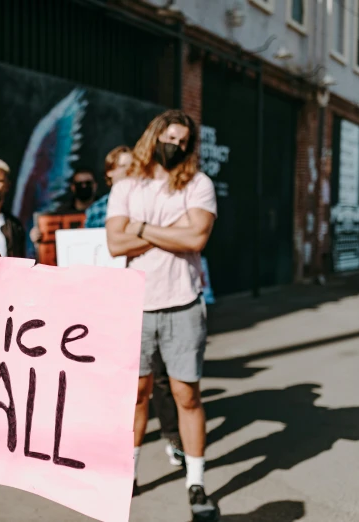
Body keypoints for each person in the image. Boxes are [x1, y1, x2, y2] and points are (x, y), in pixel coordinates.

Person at [106, 110, 219, 521]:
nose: (176, 145)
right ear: (154, 136)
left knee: (186, 395)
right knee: (136, 395)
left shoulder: (198, 184)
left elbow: (198, 237)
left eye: (183, 140)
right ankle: (128, 472)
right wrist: (171, 231)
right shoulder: (128, 186)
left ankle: (196, 482)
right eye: (170, 136)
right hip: (135, 305)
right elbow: (116, 243)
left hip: (183, 304)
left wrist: (142, 228)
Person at [86, 146, 186, 469]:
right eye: (122, 167)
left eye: (133, 166)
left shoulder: (146, 201)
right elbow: (102, 248)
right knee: (113, 374)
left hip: (143, 296)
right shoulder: (98, 210)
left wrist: (143, 236)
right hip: (108, 298)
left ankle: (172, 437)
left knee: (156, 377)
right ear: (109, 174)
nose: (129, 172)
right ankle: (109, 441)